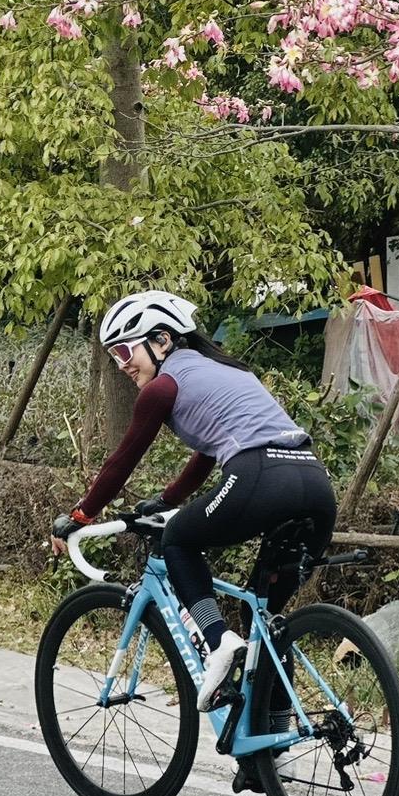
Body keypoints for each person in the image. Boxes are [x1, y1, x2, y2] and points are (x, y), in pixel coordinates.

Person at [52, 290, 338, 713]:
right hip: (315, 485)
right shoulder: (228, 372)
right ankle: (269, 750)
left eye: (126, 350)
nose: (122, 363)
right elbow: (207, 452)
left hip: (258, 475)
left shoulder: (163, 387)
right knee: (266, 627)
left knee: (179, 539)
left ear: (162, 340)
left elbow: (122, 460)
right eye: (114, 355)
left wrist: (80, 515)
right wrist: (165, 499)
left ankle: (218, 641)